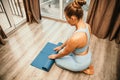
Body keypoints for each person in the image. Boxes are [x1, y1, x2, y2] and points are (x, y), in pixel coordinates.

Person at [48, 0, 94, 75]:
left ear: (72, 18)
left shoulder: (76, 37)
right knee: (61, 51)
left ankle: (84, 68)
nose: (67, 21)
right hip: (86, 55)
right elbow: (70, 39)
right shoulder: (86, 25)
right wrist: (61, 46)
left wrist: (55, 56)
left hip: (80, 62)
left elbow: (65, 52)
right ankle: (86, 64)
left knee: (58, 60)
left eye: (66, 18)